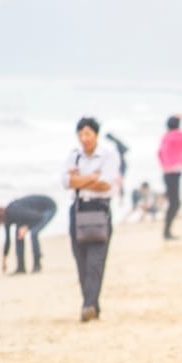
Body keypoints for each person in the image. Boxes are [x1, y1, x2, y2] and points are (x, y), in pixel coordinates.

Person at [61, 116, 120, 323]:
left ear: (96, 135)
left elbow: (106, 184)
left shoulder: (108, 155)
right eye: (81, 134)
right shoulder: (74, 156)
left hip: (99, 210)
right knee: (81, 261)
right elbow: (66, 182)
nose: (84, 138)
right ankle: (91, 303)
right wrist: (91, 178)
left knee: (96, 261)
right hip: (77, 209)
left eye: (88, 133)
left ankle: (88, 305)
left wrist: (80, 181)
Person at [0, 195, 57, 274]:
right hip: (33, 214)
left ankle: (37, 265)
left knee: (34, 233)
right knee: (18, 234)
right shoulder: (7, 219)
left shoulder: (14, 211)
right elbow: (7, 240)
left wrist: (27, 227)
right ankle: (21, 268)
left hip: (48, 207)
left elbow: (38, 216)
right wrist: (4, 260)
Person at [158, 114, 182, 240]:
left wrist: (164, 165)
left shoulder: (165, 137)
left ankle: (167, 231)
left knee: (173, 202)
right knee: (175, 203)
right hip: (175, 173)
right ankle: (167, 232)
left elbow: (159, 153)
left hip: (167, 173)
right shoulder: (179, 136)